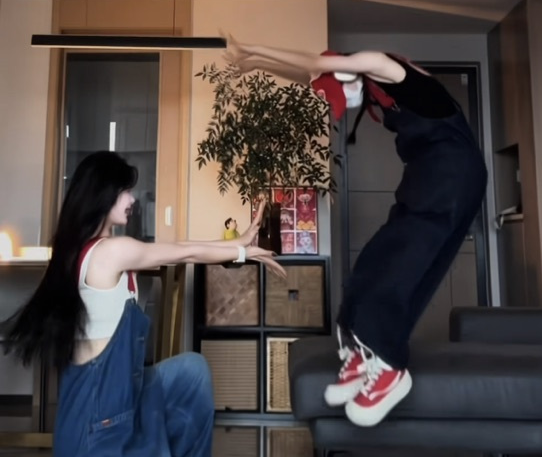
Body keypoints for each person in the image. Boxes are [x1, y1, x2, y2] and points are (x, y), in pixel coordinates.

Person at [224, 35, 487, 427]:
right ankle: (361, 353)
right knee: (372, 262)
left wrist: (257, 48)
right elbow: (311, 71)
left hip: (453, 176)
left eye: (340, 91)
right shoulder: (372, 87)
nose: (342, 104)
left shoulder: (387, 68)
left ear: (352, 75)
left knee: (400, 265)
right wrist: (257, 63)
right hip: (425, 177)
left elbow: (318, 62)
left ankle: (390, 367)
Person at [1, 151, 285, 456]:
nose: (132, 199)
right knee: (189, 375)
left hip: (116, 394)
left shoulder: (88, 251)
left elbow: (183, 247)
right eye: (125, 190)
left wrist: (238, 244)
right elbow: (184, 252)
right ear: (104, 194)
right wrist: (242, 251)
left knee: (192, 372)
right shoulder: (111, 252)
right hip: (98, 420)